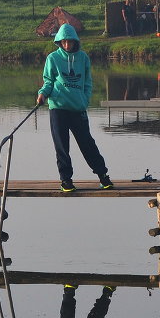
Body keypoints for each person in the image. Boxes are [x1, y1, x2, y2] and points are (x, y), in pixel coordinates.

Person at [36, 23, 112, 192]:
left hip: (78, 108)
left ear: (75, 41)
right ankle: (66, 180)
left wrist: (84, 100)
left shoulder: (83, 58)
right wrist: (43, 93)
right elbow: (48, 81)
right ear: (59, 42)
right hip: (58, 108)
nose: (67, 45)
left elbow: (88, 83)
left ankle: (103, 176)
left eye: (70, 41)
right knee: (62, 146)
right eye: (64, 42)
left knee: (87, 144)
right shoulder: (53, 58)